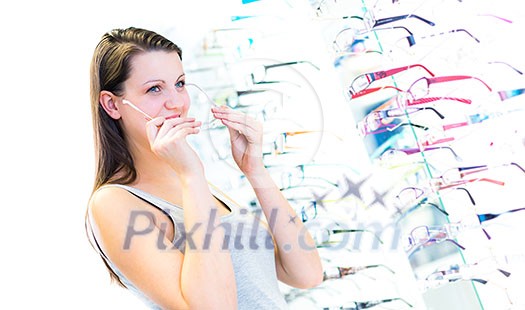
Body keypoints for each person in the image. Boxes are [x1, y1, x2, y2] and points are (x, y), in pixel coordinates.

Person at [85, 26, 323, 309]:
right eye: (154, 89)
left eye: (181, 84)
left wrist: (255, 171)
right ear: (112, 105)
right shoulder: (114, 203)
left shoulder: (195, 186)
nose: (176, 103)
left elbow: (306, 273)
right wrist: (191, 174)